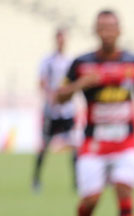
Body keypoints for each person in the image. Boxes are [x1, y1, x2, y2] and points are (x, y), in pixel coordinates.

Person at [57, 10, 134, 216]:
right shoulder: (81, 63)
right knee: (91, 200)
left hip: (126, 141)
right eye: (102, 27)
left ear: (119, 30)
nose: (107, 31)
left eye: (112, 27)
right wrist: (80, 85)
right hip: (94, 143)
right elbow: (58, 97)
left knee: (124, 190)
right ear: (95, 30)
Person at [33, 27, 78, 193]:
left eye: (64, 39)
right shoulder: (47, 61)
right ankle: (36, 180)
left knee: (74, 145)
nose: (61, 42)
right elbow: (42, 82)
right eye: (59, 39)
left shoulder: (70, 61)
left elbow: (74, 84)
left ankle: (77, 182)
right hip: (51, 111)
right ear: (55, 40)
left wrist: (67, 95)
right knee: (44, 146)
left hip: (67, 111)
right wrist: (51, 97)